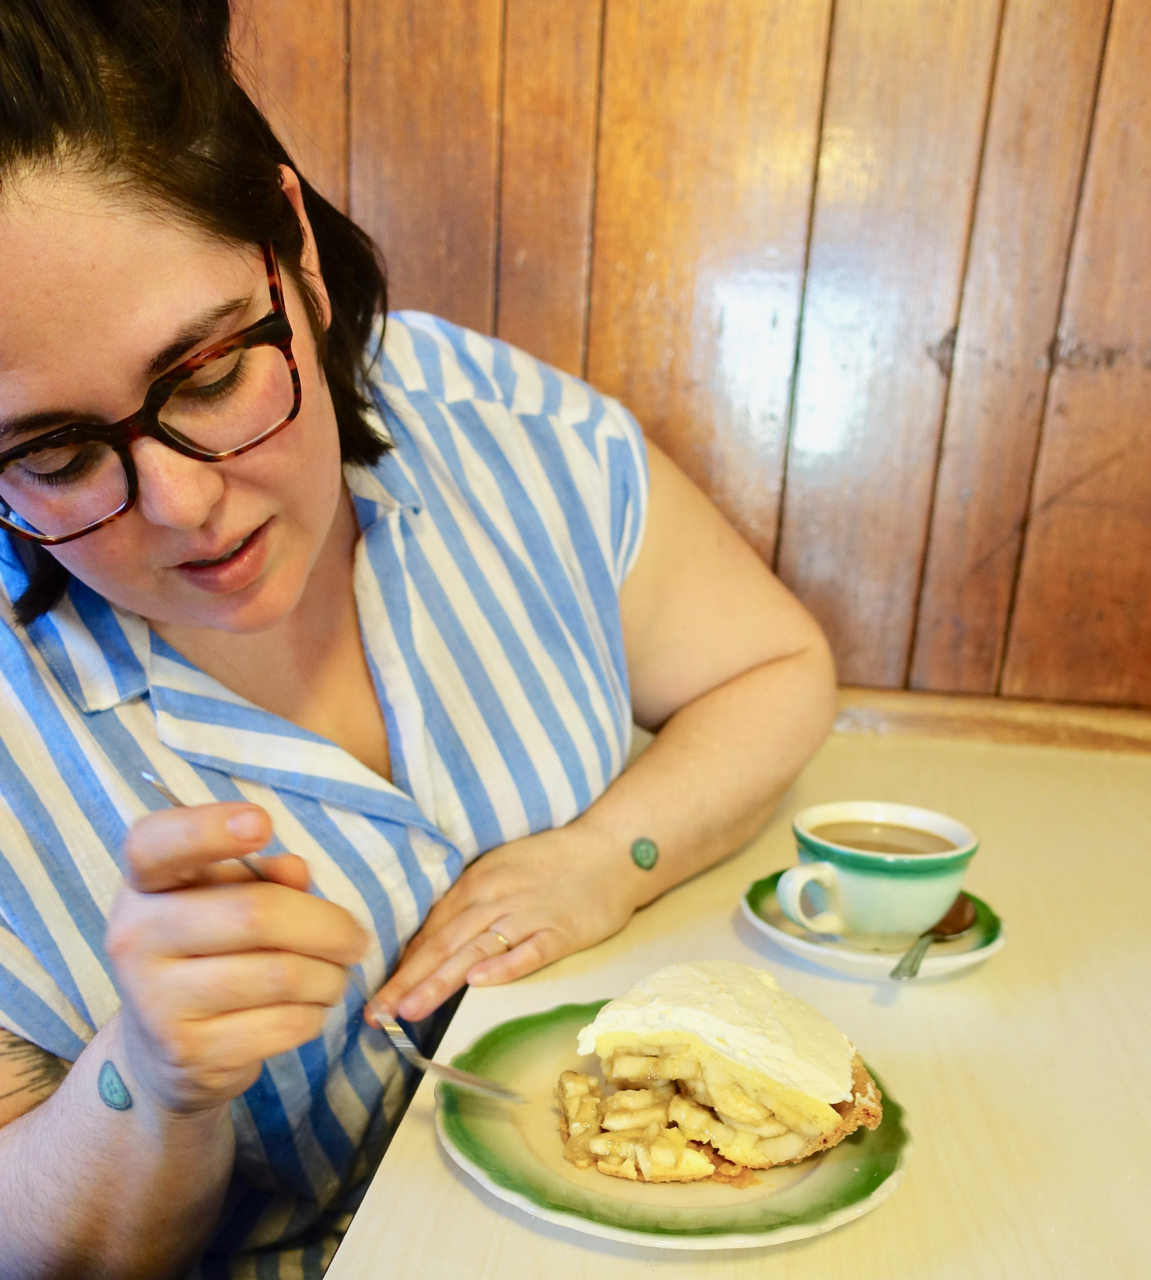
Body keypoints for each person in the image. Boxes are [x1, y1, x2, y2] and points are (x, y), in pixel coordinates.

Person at [0, 2, 836, 1276]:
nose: (181, 503)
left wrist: (610, 853)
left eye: (214, 372)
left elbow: (771, 668)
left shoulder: (489, 422)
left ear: (294, 249)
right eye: (54, 455)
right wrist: (149, 1081)